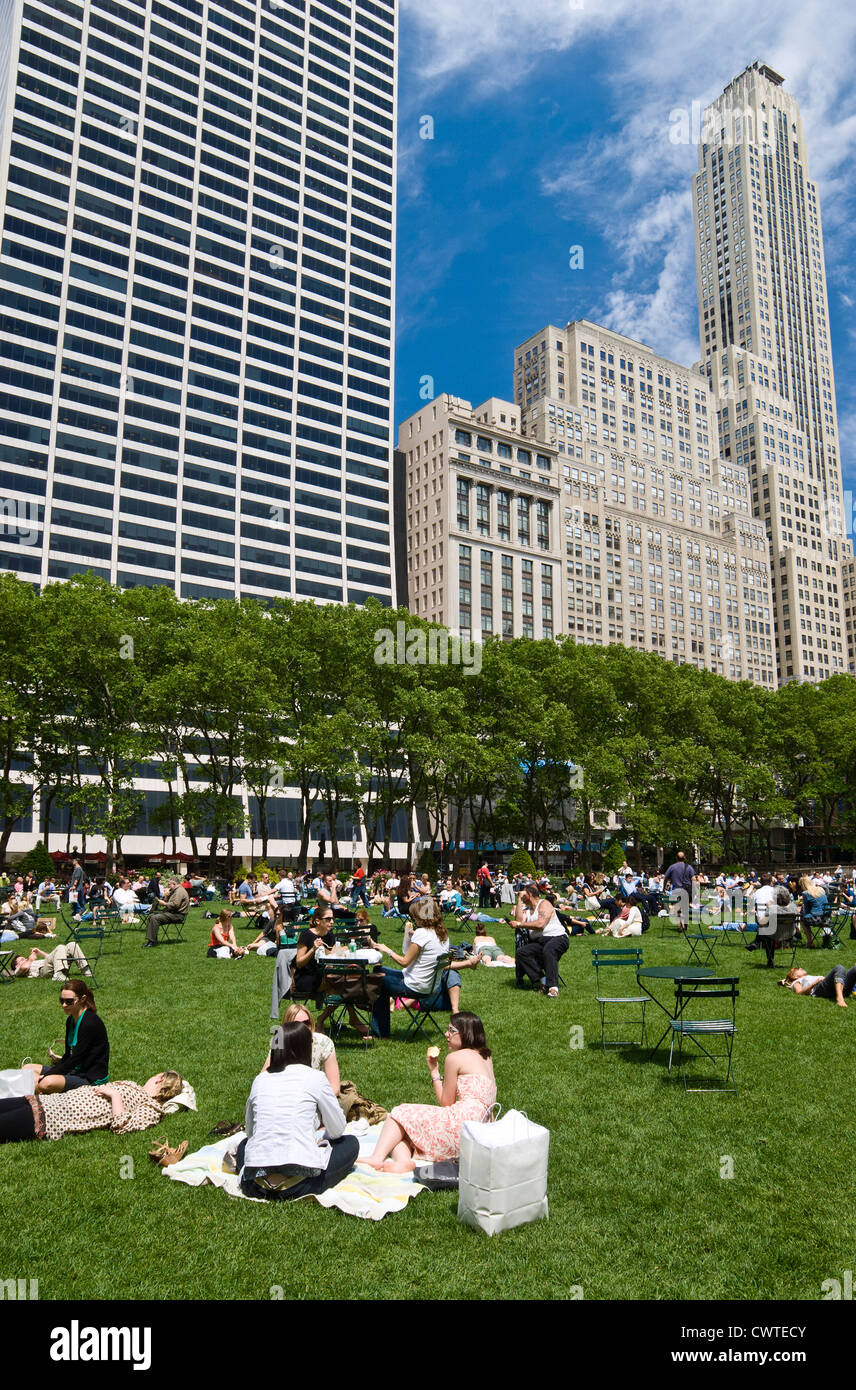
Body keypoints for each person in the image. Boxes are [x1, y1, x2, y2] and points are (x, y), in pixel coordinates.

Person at [359, 1012, 496, 1172]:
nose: (446, 1034)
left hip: (459, 1129)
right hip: (479, 1135)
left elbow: (446, 1102)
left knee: (399, 1112)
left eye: (451, 1030)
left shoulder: (455, 1058)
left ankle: (376, 1158)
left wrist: (434, 1071)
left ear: (465, 1033)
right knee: (406, 1130)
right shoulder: (486, 1057)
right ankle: (402, 1161)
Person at [236, 1022, 359, 1201]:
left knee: (243, 1145)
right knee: (351, 1143)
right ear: (304, 1048)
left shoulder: (260, 1079)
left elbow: (250, 1132)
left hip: (255, 1184)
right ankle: (292, 1183)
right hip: (302, 1183)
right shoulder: (315, 1078)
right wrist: (319, 1138)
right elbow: (338, 1129)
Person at [370, 898, 479, 1038]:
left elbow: (404, 962)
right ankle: (379, 1026)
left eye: (414, 915)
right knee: (380, 974)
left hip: (414, 986)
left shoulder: (422, 933)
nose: (413, 918)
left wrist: (386, 950)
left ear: (422, 916)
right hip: (431, 987)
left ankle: (379, 1032)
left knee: (378, 974)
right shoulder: (442, 934)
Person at [0, 1071, 183, 1144]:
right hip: (45, 1101)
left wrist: (115, 1095)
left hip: (52, 1118)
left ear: (159, 1079)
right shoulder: (132, 1084)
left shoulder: (152, 1108)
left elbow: (123, 1126)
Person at [23, 980, 109, 1094]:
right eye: (61, 1001)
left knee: (46, 1082)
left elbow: (76, 1058)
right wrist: (53, 1072)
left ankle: (33, 1091)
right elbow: (68, 1055)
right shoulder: (71, 1020)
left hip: (89, 1078)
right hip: (73, 1070)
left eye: (69, 1001)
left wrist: (47, 1075)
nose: (64, 1005)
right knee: (27, 1068)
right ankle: (35, 1090)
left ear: (82, 999)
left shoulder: (90, 1022)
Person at [264, 1003, 340, 1094]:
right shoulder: (280, 1042)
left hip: (314, 1095)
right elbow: (264, 1077)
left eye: (306, 1023)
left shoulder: (323, 1043)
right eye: (297, 1024)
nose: (303, 1028)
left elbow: (334, 1087)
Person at [513, 880, 569, 997]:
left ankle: (553, 988)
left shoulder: (544, 904)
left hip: (558, 937)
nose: (522, 896)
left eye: (523, 894)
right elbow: (518, 920)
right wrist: (519, 900)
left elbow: (540, 924)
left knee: (549, 950)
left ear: (529, 894)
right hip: (540, 941)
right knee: (522, 952)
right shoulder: (527, 911)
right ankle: (542, 980)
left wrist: (519, 925)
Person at [779, 964, 856, 1008]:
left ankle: (841, 994)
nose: (801, 968)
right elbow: (799, 992)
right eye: (798, 969)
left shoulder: (807, 977)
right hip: (818, 989)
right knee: (839, 968)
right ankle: (840, 999)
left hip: (832, 988)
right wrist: (815, 983)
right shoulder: (796, 982)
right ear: (794, 976)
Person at [9, 941, 92, 980]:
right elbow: (24, 967)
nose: (25, 959)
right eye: (22, 959)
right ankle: (58, 974)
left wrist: (39, 952)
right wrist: (30, 959)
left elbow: (54, 956)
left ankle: (85, 970)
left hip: (52, 966)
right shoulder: (17, 970)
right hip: (42, 971)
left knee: (72, 945)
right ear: (17, 965)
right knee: (60, 947)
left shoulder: (30, 961)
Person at [144, 876, 189, 947]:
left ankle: (152, 942)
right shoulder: (175, 891)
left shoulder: (179, 891)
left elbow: (175, 905)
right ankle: (152, 940)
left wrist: (164, 904)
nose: (168, 886)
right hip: (172, 913)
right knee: (151, 917)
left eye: (169, 885)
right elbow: (171, 903)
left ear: (174, 884)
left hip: (178, 915)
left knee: (155, 918)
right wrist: (166, 895)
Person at [663, 851, 697, 929]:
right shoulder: (689, 867)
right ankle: (685, 926)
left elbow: (666, 878)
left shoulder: (672, 867)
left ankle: (679, 925)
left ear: (676, 858)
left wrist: (664, 887)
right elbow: (693, 879)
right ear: (684, 858)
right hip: (687, 890)